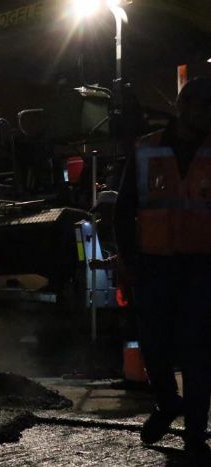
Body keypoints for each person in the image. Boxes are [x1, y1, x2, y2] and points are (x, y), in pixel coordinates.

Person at [114, 77, 211, 456]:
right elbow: (124, 210)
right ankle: (169, 403)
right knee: (153, 347)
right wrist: (129, 259)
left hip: (202, 266)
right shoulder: (146, 150)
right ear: (184, 106)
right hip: (154, 265)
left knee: (197, 352)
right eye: (204, 107)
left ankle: (195, 435)